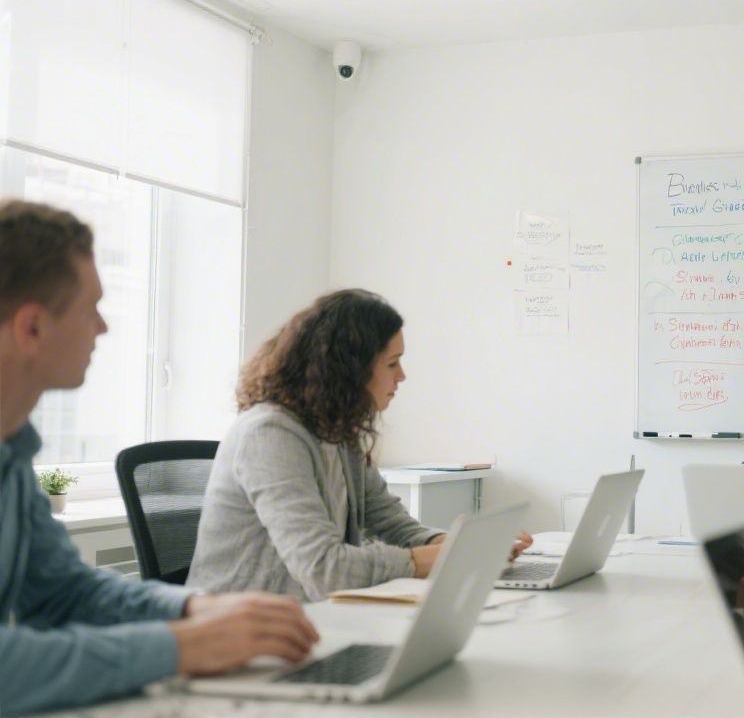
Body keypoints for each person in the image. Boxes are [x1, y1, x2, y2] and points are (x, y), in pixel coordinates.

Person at [0, 200, 319, 715]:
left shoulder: (11, 451)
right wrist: (182, 647)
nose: (102, 328)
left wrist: (197, 607)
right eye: (89, 310)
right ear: (32, 328)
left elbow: (65, 592)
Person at [186, 289, 531, 602]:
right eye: (392, 363)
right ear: (349, 369)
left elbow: (393, 523)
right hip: (239, 633)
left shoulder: (336, 429)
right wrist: (427, 559)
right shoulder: (270, 434)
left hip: (310, 618)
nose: (403, 376)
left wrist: (459, 546)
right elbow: (324, 570)